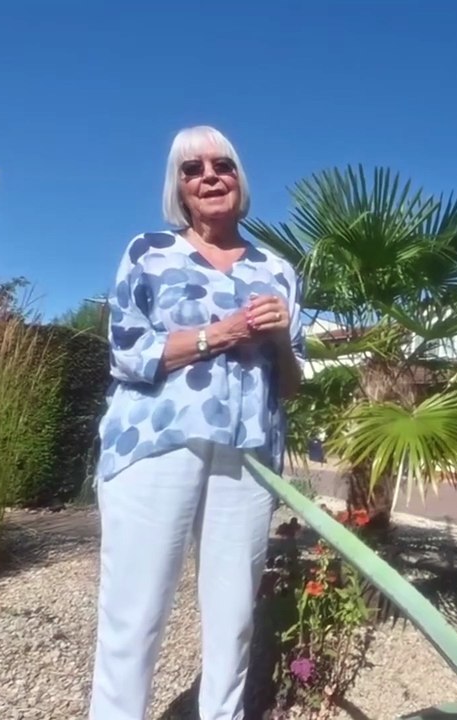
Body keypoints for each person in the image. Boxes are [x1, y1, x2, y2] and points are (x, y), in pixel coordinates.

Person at [89, 125, 304, 719]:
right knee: (135, 612)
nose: (209, 176)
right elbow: (126, 354)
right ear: (179, 187)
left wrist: (280, 338)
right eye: (192, 169)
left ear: (240, 178)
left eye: (222, 164)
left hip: (249, 450)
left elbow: (290, 384)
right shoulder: (148, 251)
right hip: (155, 442)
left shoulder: (278, 270)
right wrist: (221, 334)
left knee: (234, 619)